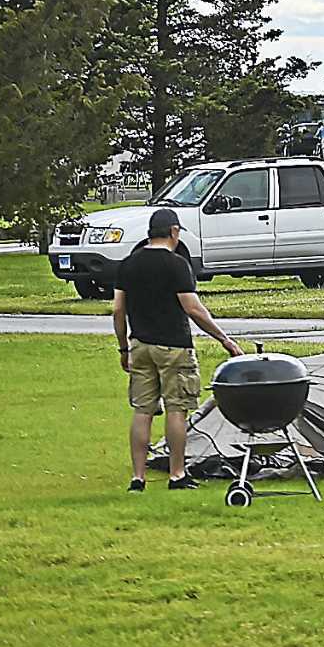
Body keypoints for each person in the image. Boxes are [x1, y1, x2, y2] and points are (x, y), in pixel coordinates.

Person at [113, 209, 242, 491]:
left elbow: (118, 309)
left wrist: (124, 348)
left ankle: (138, 478)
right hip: (174, 347)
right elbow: (192, 308)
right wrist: (224, 339)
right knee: (176, 409)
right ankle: (177, 474)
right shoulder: (176, 265)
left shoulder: (128, 265)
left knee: (142, 410)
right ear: (173, 232)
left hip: (140, 346)